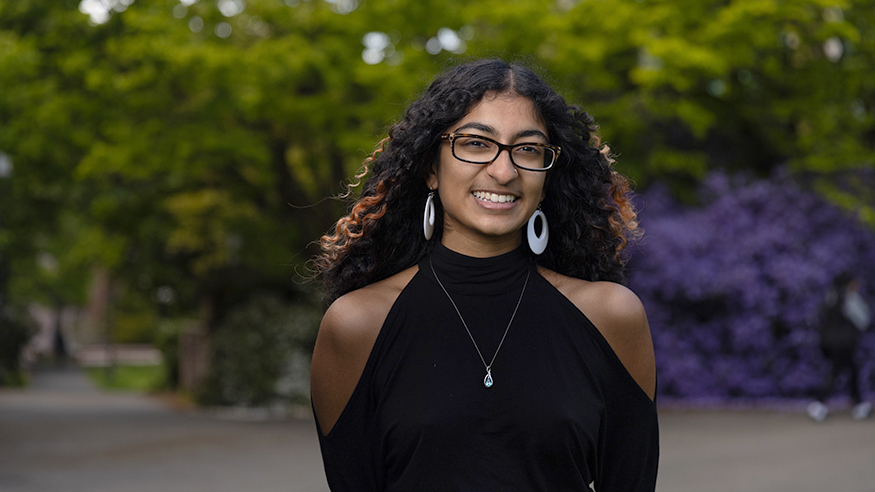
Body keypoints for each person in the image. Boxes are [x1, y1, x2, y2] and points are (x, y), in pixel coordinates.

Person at [310, 59, 658, 491]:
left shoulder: (610, 317)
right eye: (476, 143)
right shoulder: (357, 325)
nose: (504, 171)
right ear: (431, 168)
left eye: (528, 149)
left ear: (546, 179)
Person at [808, 273, 872, 422]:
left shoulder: (830, 297)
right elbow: (863, 320)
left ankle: (859, 405)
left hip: (828, 342)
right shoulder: (849, 298)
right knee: (837, 372)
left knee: (851, 370)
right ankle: (818, 403)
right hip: (844, 343)